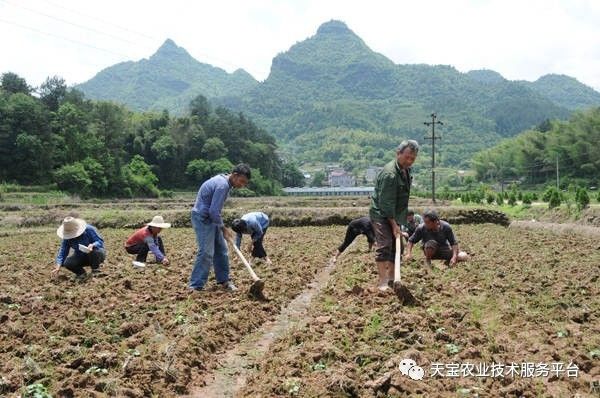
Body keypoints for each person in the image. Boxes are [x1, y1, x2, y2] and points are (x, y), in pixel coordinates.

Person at [189, 164, 251, 292]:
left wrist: (220, 226)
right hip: (203, 218)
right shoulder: (223, 185)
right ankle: (195, 285)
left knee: (221, 250)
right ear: (234, 175)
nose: (242, 185)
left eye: (245, 183)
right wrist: (223, 229)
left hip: (211, 218)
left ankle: (224, 280)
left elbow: (214, 211)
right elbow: (213, 211)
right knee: (206, 252)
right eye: (241, 181)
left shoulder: (224, 182)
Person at [369, 139, 419, 291]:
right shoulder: (390, 174)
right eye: (407, 157)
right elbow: (386, 203)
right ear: (398, 153)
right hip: (381, 213)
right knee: (385, 245)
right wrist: (393, 224)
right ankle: (383, 281)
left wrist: (397, 222)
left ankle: (392, 278)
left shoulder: (406, 170)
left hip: (394, 214)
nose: (409, 161)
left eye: (413, 158)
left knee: (398, 247)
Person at [404, 209, 469, 268]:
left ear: (435, 221)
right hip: (430, 251)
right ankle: (428, 260)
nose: (425, 224)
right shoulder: (421, 228)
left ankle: (448, 261)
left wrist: (454, 257)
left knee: (464, 256)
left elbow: (454, 243)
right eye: (424, 222)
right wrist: (408, 253)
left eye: (427, 222)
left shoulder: (446, 227)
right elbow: (411, 241)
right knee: (431, 243)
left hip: (444, 249)